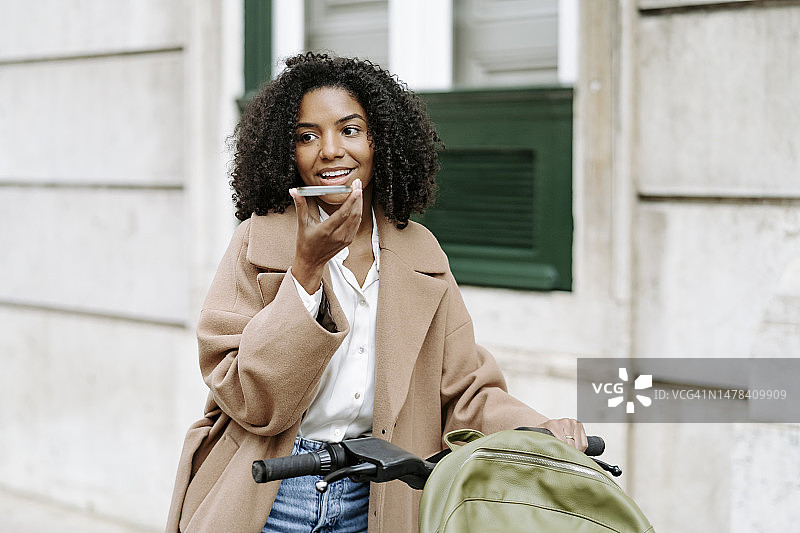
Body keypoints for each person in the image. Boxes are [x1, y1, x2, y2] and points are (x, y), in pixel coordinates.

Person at [166, 52, 587, 533]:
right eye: (307, 136)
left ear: (379, 141)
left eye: (350, 130)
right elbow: (252, 401)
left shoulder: (420, 253)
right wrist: (305, 269)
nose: (330, 151)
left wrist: (539, 431)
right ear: (287, 152)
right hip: (267, 492)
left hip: (378, 497)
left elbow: (465, 394)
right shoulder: (256, 242)